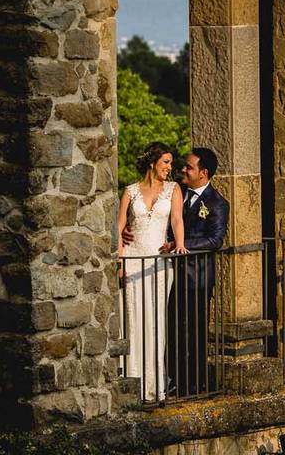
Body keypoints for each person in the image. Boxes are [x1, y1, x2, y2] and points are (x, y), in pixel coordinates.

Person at [122, 147, 229, 397]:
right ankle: (173, 379)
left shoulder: (217, 203)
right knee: (170, 329)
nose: (182, 169)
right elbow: (160, 222)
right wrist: (130, 228)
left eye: (188, 167)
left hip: (196, 276)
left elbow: (215, 241)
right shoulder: (176, 192)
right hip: (169, 271)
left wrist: (180, 246)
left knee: (194, 331)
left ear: (203, 173)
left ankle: (195, 384)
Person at [117, 141, 187, 402]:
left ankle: (153, 385)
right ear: (152, 163)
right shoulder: (130, 191)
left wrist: (179, 244)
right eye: (166, 162)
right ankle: (130, 381)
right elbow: (120, 225)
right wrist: (120, 261)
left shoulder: (173, 189)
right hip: (134, 259)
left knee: (154, 321)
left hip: (158, 263)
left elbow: (177, 219)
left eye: (170, 162)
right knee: (132, 319)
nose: (170, 167)